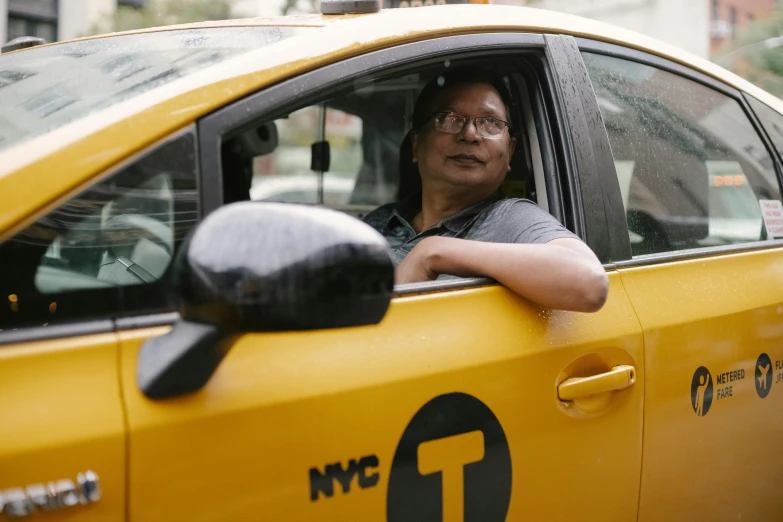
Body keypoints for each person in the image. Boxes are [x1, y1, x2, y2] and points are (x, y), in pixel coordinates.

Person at [363, 67, 608, 312]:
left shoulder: (509, 219)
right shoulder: (382, 221)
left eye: (491, 122)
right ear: (416, 145)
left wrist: (431, 252)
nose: (470, 134)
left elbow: (590, 283)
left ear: (509, 151)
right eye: (449, 118)